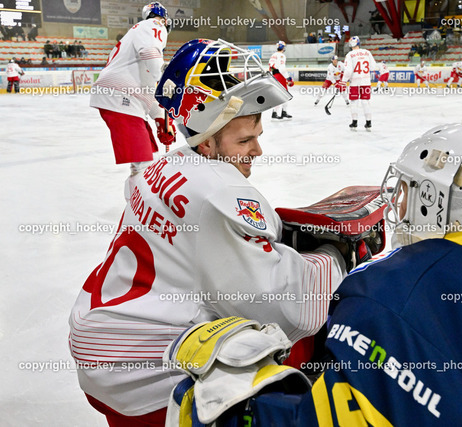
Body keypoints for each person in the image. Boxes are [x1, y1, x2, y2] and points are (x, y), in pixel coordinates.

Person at [165, 122, 462, 426]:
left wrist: (236, 408)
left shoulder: (398, 292)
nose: (400, 203)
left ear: (436, 201)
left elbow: (350, 417)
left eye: (412, 191)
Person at [69, 38, 348, 427]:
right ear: (208, 133)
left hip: (100, 337)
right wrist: (333, 260)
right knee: (284, 343)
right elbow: (282, 306)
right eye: (245, 140)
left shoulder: (162, 165)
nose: (257, 151)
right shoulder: (220, 195)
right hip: (141, 374)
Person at [90, 2, 176, 177]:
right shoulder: (153, 24)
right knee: (146, 167)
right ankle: (141, 203)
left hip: (125, 98)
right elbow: (150, 52)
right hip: (121, 97)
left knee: (149, 158)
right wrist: (165, 81)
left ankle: (136, 202)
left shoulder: (136, 40)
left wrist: (160, 119)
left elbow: (148, 89)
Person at [341, 36, 376, 131]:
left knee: (354, 102)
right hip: (366, 81)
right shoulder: (367, 52)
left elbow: (348, 71)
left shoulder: (350, 55)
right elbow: (373, 67)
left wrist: (343, 81)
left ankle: (354, 122)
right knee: (365, 102)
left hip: (354, 82)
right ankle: (368, 122)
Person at [268, 40, 294, 120]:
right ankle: (277, 112)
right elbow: (282, 68)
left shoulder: (273, 55)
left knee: (281, 95)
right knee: (283, 95)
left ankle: (282, 112)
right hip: (280, 76)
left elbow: (270, 67)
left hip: (274, 75)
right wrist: (288, 78)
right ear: (283, 48)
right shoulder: (281, 56)